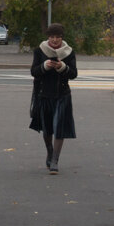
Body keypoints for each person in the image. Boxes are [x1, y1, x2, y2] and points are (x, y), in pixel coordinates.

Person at [29, 23, 78, 174]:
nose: (55, 40)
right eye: (52, 37)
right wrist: (45, 65)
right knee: (47, 129)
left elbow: (74, 74)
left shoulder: (68, 52)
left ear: (62, 38)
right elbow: (34, 71)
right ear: (48, 37)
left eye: (57, 37)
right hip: (44, 94)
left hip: (62, 95)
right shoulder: (40, 50)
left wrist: (62, 67)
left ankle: (55, 160)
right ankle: (50, 152)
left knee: (59, 127)